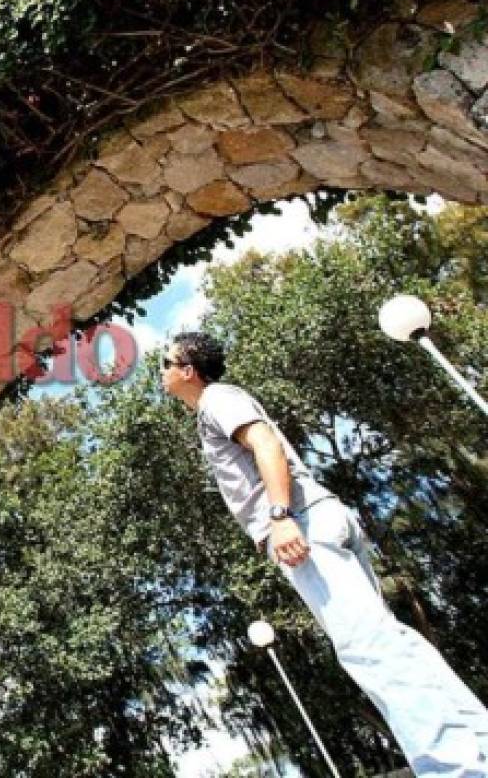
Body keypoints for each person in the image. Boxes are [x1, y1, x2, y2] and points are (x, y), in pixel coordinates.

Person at [162, 331, 488, 776]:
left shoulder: (218, 398)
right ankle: (478, 752)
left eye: (167, 363)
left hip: (303, 522)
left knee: (367, 647)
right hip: (315, 517)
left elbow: (266, 443)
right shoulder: (215, 406)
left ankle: (452, 768)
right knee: (389, 640)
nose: (161, 373)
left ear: (187, 371)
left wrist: (279, 515)